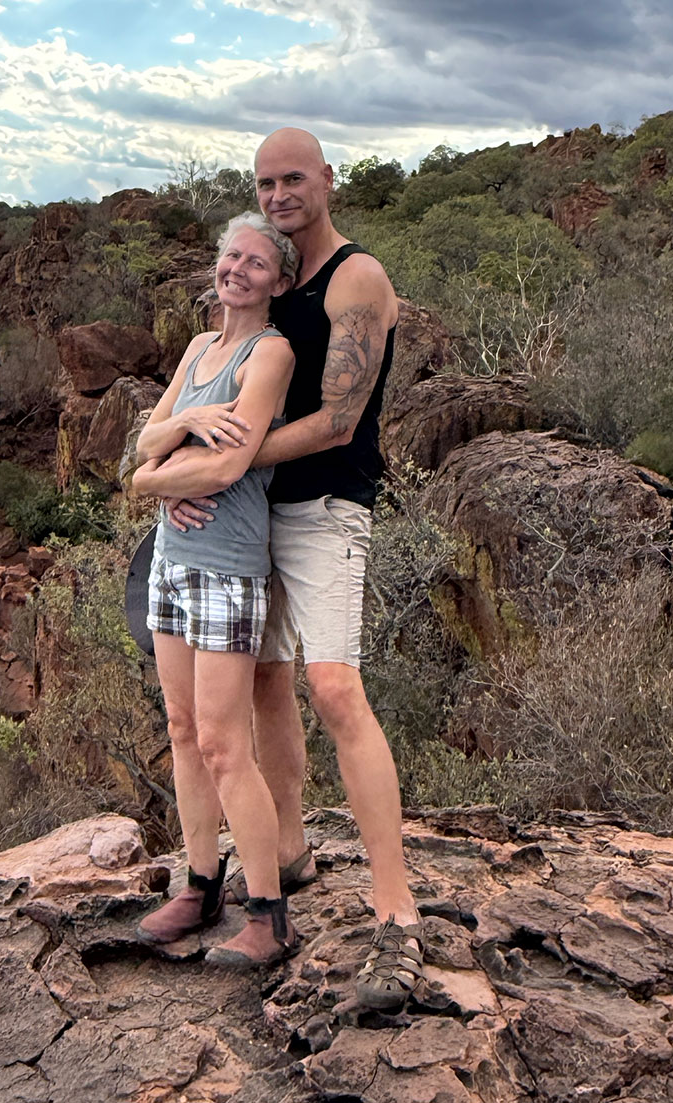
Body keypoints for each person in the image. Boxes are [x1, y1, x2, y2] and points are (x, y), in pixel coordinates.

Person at [168, 128, 425, 1009]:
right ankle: (287, 854)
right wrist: (199, 473)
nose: (279, 194)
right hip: (253, 519)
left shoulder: (357, 277)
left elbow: (339, 420)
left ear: (327, 179)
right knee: (264, 682)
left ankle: (395, 909)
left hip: (326, 509)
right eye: (265, 182)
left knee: (336, 688)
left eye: (292, 179)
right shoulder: (274, 281)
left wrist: (223, 464)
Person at [130, 211, 301, 967]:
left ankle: (269, 912)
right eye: (232, 256)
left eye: (256, 262)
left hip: (228, 566)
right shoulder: (200, 349)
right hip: (170, 559)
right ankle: (201, 884)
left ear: (278, 282)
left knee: (226, 744)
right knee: (181, 727)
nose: (238, 270)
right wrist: (187, 423)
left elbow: (230, 466)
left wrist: (152, 479)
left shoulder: (272, 353)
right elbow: (144, 441)